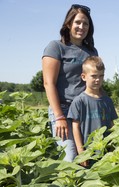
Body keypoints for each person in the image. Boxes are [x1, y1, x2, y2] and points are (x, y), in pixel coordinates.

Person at [42, 4, 98, 162]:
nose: (81, 27)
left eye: (85, 23)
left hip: (86, 111)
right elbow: (48, 83)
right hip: (64, 110)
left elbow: (95, 83)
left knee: (89, 156)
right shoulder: (56, 47)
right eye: (77, 22)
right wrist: (59, 116)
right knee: (70, 158)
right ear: (68, 24)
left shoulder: (92, 52)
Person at [67, 56, 118, 167]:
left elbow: (112, 125)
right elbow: (75, 127)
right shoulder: (79, 101)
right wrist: (81, 152)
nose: (98, 80)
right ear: (84, 77)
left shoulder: (107, 101)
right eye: (94, 76)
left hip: (106, 152)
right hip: (88, 152)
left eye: (101, 76)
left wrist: (114, 146)